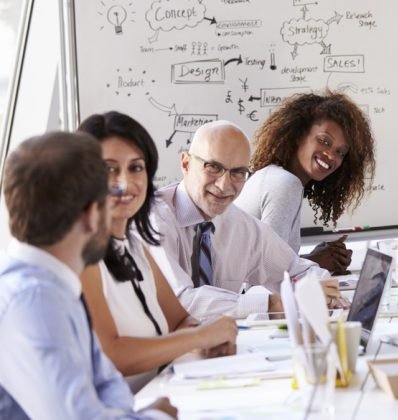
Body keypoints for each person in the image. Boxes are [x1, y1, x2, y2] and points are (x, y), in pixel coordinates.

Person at [0, 132, 176, 419]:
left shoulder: (55, 286)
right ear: (93, 214)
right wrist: (159, 416)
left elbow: (107, 383)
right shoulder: (34, 301)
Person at [78, 111, 238, 392]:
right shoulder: (80, 255)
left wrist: (205, 341)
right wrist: (200, 338)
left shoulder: (134, 244)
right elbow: (112, 355)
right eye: (109, 169)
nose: (125, 183)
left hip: (161, 393)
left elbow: (179, 319)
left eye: (136, 167)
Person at [148, 120, 340, 320]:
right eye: (213, 167)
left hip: (222, 345)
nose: (224, 185)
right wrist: (272, 304)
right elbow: (179, 301)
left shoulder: (240, 225)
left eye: (237, 172)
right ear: (185, 163)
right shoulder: (153, 220)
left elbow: (295, 269)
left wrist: (322, 288)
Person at [235, 90, 375, 275]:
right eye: (324, 141)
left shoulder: (276, 177)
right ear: (298, 134)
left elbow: (269, 263)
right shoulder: (284, 183)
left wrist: (316, 258)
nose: (331, 156)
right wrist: (317, 261)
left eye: (340, 152)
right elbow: (267, 274)